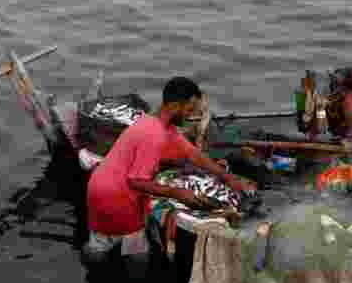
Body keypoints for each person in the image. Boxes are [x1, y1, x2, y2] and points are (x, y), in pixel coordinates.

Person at [83, 77, 254, 265]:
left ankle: (92, 273)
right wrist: (177, 192)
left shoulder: (156, 124)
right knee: (137, 253)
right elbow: (136, 181)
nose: (190, 116)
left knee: (100, 242)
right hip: (117, 196)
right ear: (174, 106)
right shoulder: (154, 135)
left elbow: (193, 154)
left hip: (98, 186)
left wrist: (226, 177)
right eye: (188, 110)